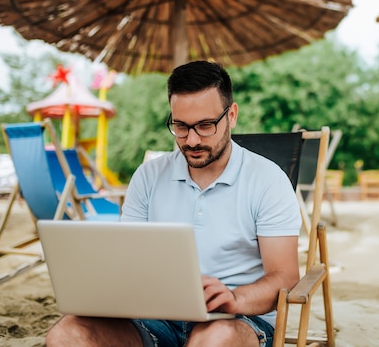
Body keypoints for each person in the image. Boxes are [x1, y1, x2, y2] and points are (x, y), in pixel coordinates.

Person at [45, 60, 302, 347]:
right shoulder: (149, 175)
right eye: (180, 126)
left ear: (231, 115)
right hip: (155, 316)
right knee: (66, 334)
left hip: (237, 319)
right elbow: (128, 258)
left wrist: (235, 298)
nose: (192, 140)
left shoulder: (267, 179)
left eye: (205, 126)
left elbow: (285, 276)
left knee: (214, 339)